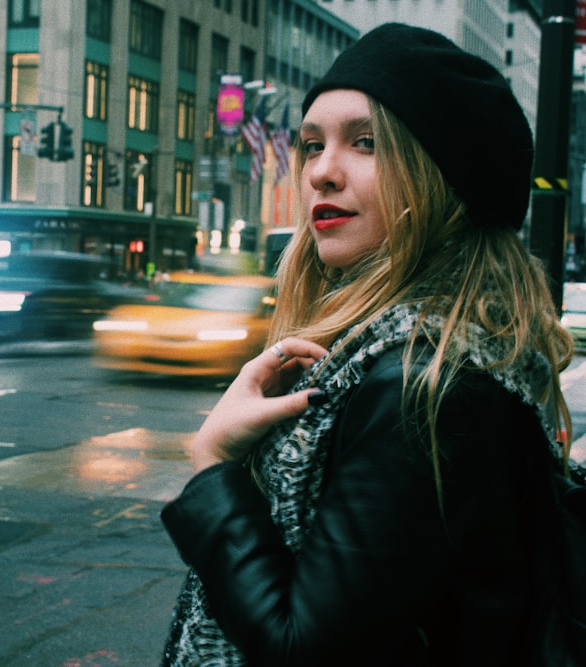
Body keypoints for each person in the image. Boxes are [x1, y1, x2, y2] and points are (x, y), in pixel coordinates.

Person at [160, 23, 577, 666]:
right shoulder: (452, 360)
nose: (321, 173)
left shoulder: (423, 384)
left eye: (365, 142)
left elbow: (301, 647)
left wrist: (214, 462)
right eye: (311, 145)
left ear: (445, 178)